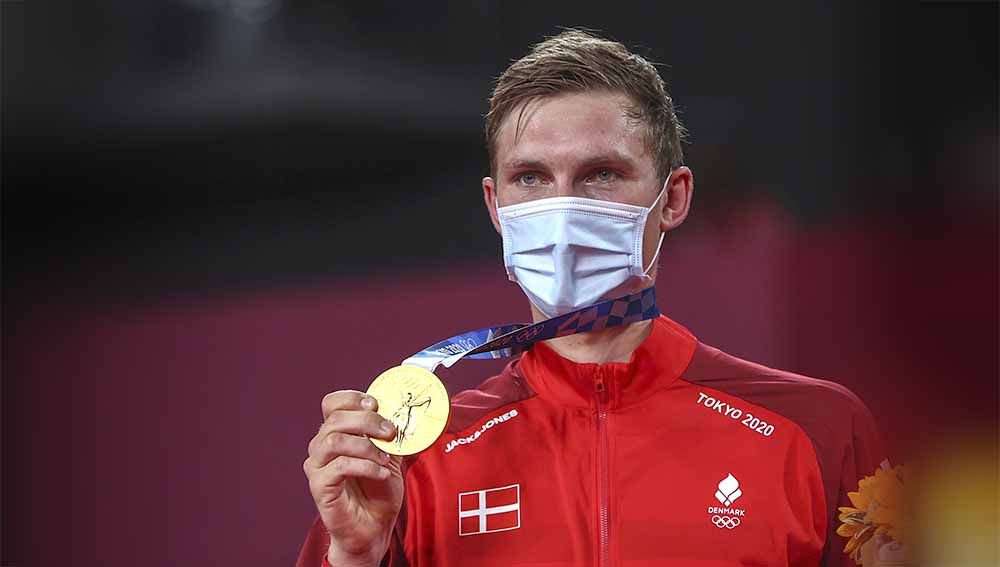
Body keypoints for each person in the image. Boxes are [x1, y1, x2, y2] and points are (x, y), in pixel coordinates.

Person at [298, 30, 885, 567]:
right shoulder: (407, 464)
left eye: (601, 173)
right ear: (495, 207)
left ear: (674, 198)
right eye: (530, 177)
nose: (563, 211)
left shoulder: (817, 430)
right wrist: (353, 558)